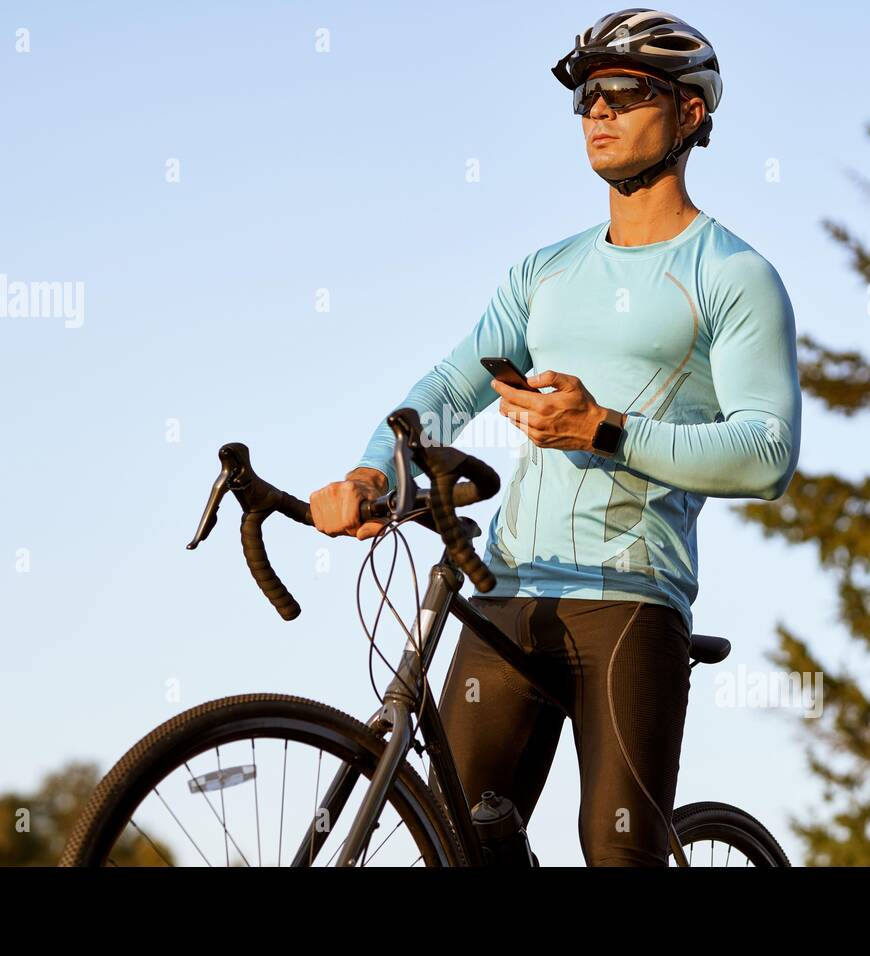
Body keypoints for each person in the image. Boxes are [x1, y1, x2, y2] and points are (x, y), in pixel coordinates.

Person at [309, 8, 801, 866]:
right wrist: (372, 472)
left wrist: (604, 428)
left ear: (690, 114)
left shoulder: (733, 275)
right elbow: (450, 386)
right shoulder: (544, 273)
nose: (598, 111)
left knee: (616, 853)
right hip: (508, 592)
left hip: (632, 598)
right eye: (586, 97)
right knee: (461, 844)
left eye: (625, 91)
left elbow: (767, 454)